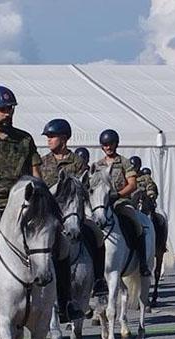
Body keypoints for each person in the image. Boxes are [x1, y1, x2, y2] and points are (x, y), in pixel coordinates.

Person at [0, 86, 81, 333]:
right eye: (2, 109)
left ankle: (66, 303)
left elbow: (36, 175)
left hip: (25, 207)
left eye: (10, 109)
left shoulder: (25, 139)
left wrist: (43, 202)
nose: (7, 113)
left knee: (61, 247)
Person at [39, 118, 108, 297]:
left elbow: (86, 187)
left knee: (97, 235)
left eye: (52, 136)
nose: (49, 140)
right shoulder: (42, 162)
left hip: (73, 214)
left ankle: (99, 280)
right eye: (48, 136)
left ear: (64, 139)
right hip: (49, 216)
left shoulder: (77, 162)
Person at [92, 129, 151, 277]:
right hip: (101, 203)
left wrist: (117, 195)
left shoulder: (124, 163)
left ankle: (142, 262)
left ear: (116, 144)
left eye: (110, 144)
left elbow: (132, 184)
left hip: (120, 201)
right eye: (105, 145)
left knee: (137, 225)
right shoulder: (97, 165)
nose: (108, 147)